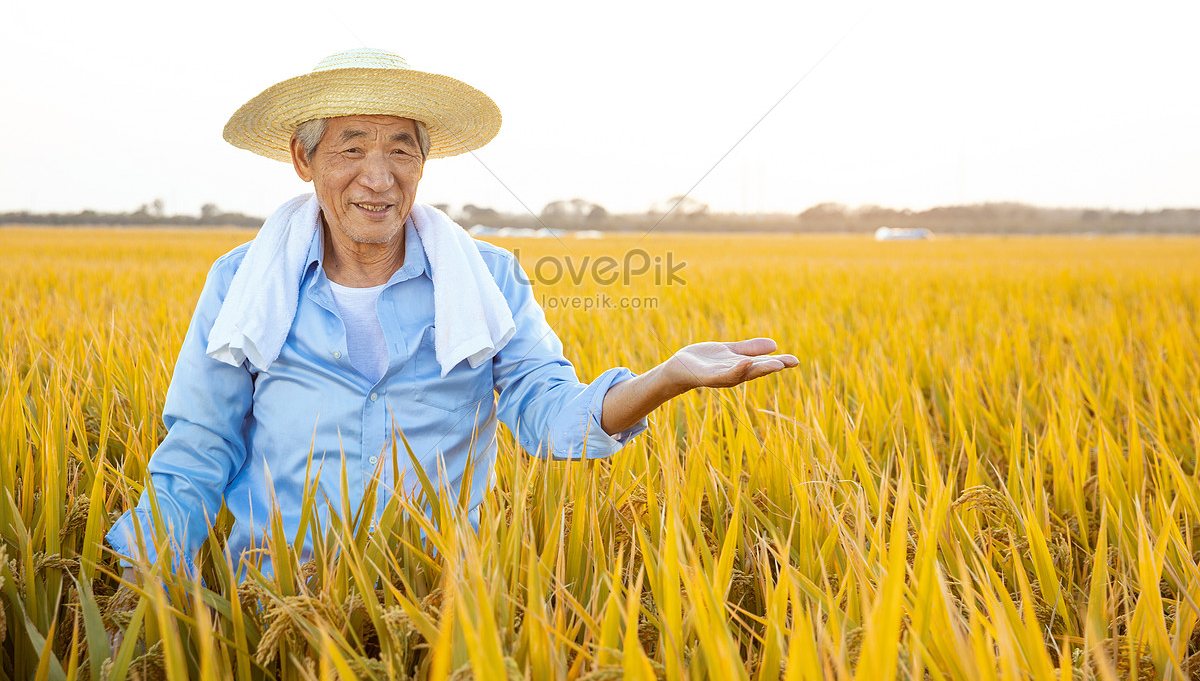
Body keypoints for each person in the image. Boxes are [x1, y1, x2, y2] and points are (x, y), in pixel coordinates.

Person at [106, 48, 798, 582]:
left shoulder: (487, 279)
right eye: (351, 147)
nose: (378, 176)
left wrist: (665, 378)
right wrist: (150, 581)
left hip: (438, 602)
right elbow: (200, 446)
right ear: (302, 158)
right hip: (274, 604)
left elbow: (546, 410)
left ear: (423, 161)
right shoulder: (241, 285)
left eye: (400, 148)